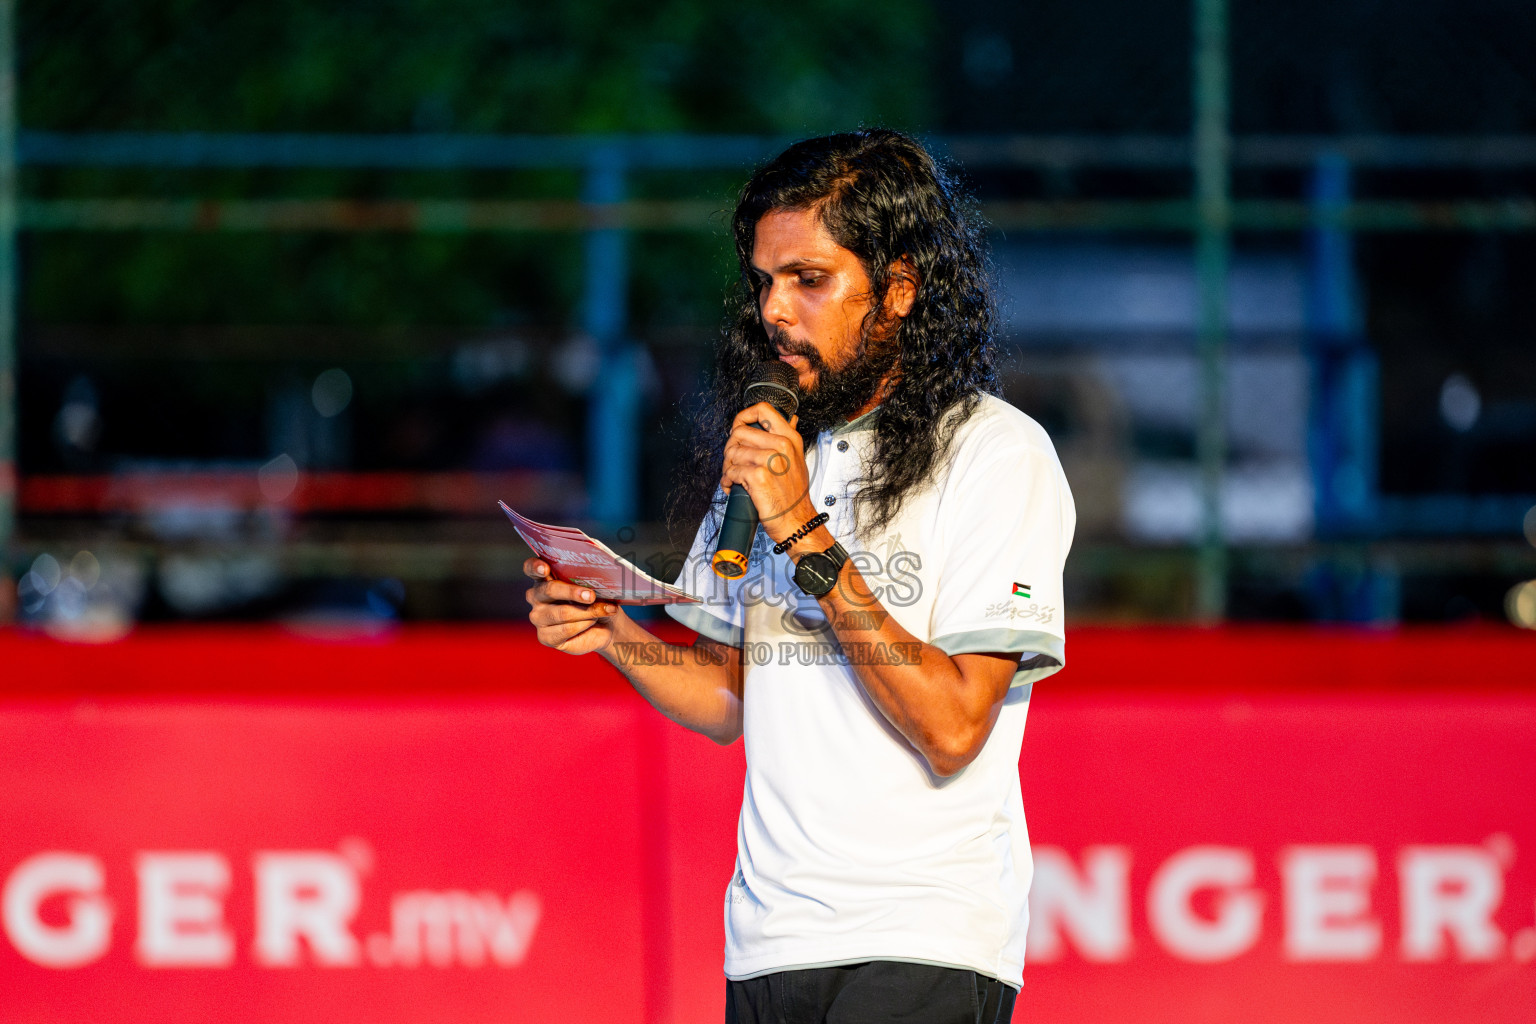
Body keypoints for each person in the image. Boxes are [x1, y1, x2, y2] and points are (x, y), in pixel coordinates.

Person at [524, 129, 1074, 1024]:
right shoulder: (774, 451)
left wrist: (804, 533)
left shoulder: (995, 452)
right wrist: (614, 634)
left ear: (898, 291)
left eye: (808, 279)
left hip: (921, 938)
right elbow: (735, 698)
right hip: (771, 940)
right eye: (765, 281)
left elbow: (953, 724)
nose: (776, 310)